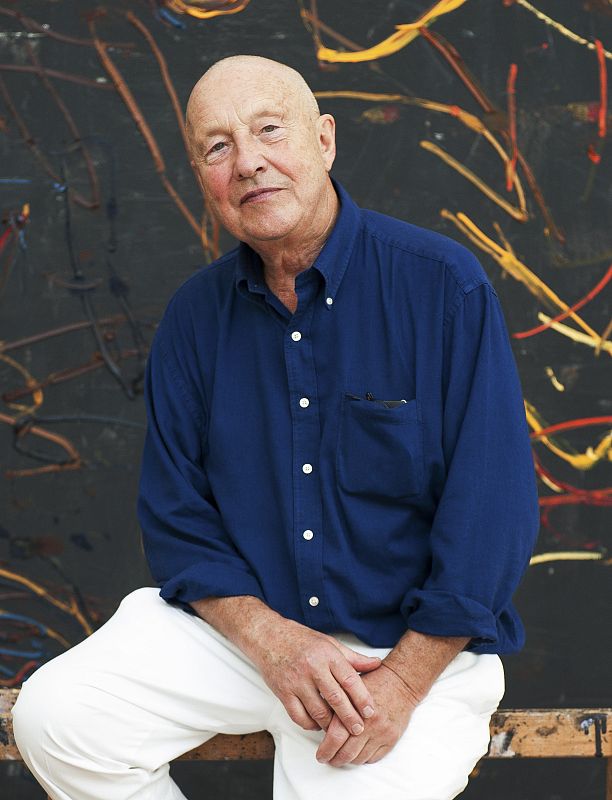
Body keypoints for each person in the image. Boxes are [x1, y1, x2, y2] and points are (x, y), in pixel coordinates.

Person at [12, 55, 540, 800]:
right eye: (217, 147)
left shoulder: (443, 287)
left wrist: (402, 682)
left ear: (324, 140)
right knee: (58, 718)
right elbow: (177, 519)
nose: (248, 163)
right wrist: (271, 640)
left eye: (268, 130)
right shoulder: (194, 318)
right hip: (243, 639)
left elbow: (492, 514)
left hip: (405, 653)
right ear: (202, 178)